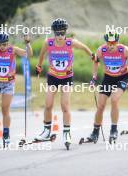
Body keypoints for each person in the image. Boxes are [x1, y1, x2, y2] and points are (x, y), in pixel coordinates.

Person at [35, 18, 95, 150]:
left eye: (62, 33)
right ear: (54, 33)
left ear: (65, 32)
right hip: (53, 77)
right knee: (48, 104)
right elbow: (42, 54)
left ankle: (67, 133)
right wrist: (39, 65)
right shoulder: (48, 42)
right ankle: (46, 131)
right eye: (57, 34)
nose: (60, 36)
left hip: (67, 78)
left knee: (65, 106)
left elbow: (84, 47)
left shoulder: (70, 42)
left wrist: (92, 55)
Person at [87, 30, 128, 144]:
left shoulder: (124, 50)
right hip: (108, 78)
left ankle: (114, 130)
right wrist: (94, 77)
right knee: (101, 106)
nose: (110, 45)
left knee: (114, 100)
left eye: (113, 43)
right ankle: (95, 133)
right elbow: (96, 61)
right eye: (108, 43)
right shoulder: (101, 50)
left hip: (122, 78)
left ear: (117, 42)